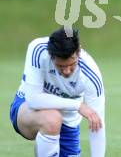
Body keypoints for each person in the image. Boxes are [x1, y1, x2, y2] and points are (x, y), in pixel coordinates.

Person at [9, 27, 105, 157]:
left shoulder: (90, 75)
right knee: (52, 119)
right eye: (60, 66)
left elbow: (97, 124)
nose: (66, 71)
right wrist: (78, 105)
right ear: (51, 56)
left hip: (68, 125)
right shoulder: (38, 49)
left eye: (71, 65)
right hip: (26, 110)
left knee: (55, 120)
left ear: (78, 52)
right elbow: (33, 100)